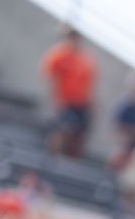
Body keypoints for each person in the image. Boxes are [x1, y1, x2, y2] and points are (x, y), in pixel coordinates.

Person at [39, 26, 97, 157]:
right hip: (65, 102)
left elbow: (89, 85)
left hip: (81, 103)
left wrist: (92, 106)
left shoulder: (85, 58)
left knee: (79, 134)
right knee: (64, 130)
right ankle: (53, 155)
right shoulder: (58, 55)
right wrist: (54, 101)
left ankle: (70, 158)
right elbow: (51, 79)